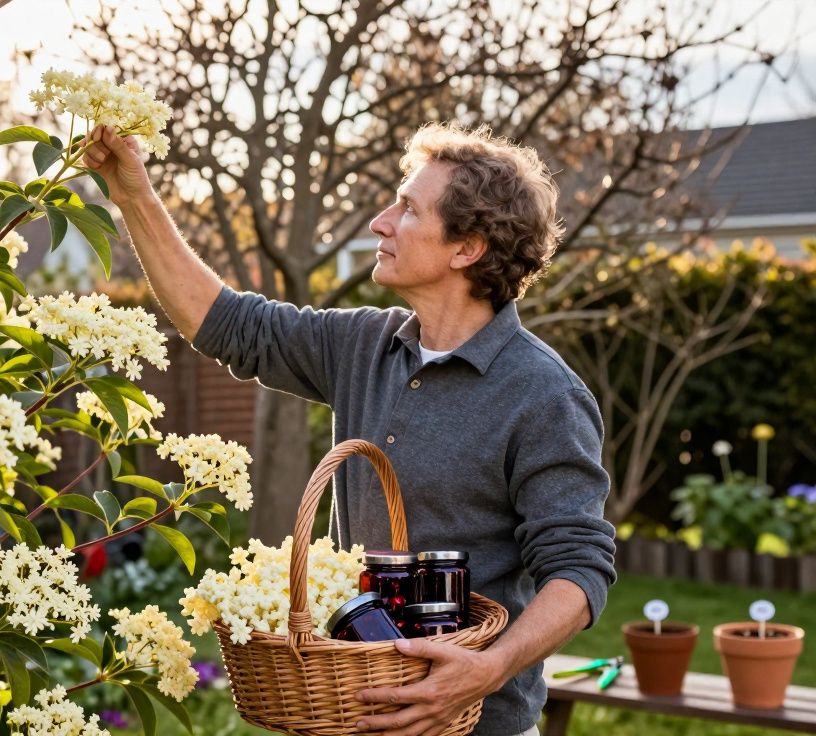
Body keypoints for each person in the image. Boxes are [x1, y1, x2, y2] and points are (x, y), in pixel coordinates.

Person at [83, 121, 616, 736]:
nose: (380, 222)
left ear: (466, 248)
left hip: (471, 724)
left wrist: (488, 667)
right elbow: (227, 323)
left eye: (408, 209)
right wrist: (132, 197)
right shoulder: (365, 344)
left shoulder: (544, 393)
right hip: (349, 713)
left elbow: (578, 570)